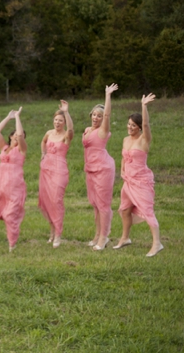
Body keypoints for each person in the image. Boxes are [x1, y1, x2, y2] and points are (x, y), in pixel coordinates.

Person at [113, 94, 163, 257]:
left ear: (139, 127)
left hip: (141, 181)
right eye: (128, 124)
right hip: (128, 181)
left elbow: (147, 124)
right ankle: (125, 238)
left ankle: (157, 244)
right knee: (125, 210)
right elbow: (123, 156)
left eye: (133, 125)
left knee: (147, 211)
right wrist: (121, 171)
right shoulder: (125, 139)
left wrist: (144, 106)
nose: (130, 127)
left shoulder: (144, 140)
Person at [82, 84, 118, 251]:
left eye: (100, 116)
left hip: (103, 169)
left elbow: (108, 114)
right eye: (94, 115)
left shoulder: (103, 130)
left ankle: (104, 238)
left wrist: (108, 95)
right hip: (90, 169)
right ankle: (97, 234)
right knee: (95, 204)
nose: (96, 118)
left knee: (103, 205)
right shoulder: (88, 130)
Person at [38, 100, 74, 248]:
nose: (57, 122)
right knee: (47, 202)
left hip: (59, 170)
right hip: (46, 170)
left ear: (64, 122)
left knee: (56, 200)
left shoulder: (66, 135)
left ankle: (58, 234)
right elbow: (43, 142)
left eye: (61, 120)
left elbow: (71, 130)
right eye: (56, 120)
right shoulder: (48, 133)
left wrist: (66, 111)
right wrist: (43, 154)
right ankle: (52, 232)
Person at [0, 108, 27, 252]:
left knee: (10, 215)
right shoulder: (4, 147)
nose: (18, 137)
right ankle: (11, 239)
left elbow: (20, 133)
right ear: (10, 136)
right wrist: (8, 117)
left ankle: (12, 244)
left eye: (21, 137)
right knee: (0, 212)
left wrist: (18, 117)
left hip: (14, 187)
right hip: (0, 186)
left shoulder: (21, 149)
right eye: (16, 136)